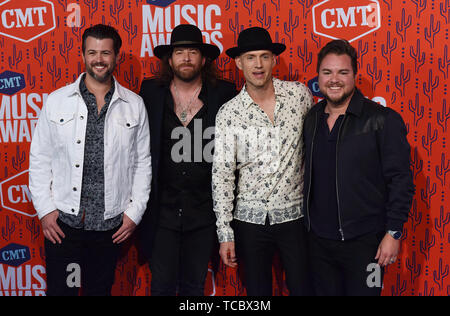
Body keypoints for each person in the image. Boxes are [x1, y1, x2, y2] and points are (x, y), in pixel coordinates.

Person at [29, 24, 151, 296]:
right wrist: (46, 210)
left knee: (99, 291)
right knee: (63, 292)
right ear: (83, 54)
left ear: (116, 56)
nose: (99, 59)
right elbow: (39, 158)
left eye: (106, 52)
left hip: (109, 226)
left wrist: (134, 214)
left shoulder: (134, 104)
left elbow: (143, 163)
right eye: (92, 52)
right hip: (64, 225)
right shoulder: (57, 101)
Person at [303, 39, 415, 296]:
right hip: (319, 245)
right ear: (318, 76)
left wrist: (393, 233)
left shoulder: (382, 120)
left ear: (355, 75)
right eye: (327, 72)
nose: (334, 80)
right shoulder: (312, 119)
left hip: (367, 245)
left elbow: (401, 180)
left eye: (343, 72)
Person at [212, 27, 313, 296]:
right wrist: (225, 233)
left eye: (265, 56)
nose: (258, 65)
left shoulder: (300, 96)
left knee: (304, 289)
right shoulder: (228, 113)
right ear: (238, 62)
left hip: (295, 218)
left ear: (274, 59)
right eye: (251, 57)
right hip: (249, 223)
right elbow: (222, 176)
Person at [138, 24, 237, 296]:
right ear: (169, 60)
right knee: (161, 288)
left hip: (204, 213)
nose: (186, 58)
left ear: (203, 59)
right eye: (179, 52)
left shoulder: (224, 93)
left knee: (195, 288)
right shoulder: (150, 93)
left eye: (193, 51)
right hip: (162, 213)